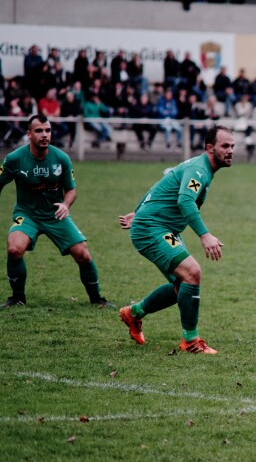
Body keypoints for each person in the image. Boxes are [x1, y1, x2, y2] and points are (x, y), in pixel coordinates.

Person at [117, 126, 234, 354]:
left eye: (232, 146)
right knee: (193, 272)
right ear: (209, 148)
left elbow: (165, 181)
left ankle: (133, 313)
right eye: (225, 146)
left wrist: (139, 210)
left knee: (183, 283)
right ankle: (190, 341)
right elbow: (185, 201)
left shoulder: (199, 168)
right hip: (153, 228)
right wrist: (204, 235)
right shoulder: (198, 170)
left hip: (159, 226)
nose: (230, 151)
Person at [0, 115, 111, 308]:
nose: (44, 135)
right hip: (27, 214)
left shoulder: (61, 158)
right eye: (39, 131)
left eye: (48, 130)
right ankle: (17, 298)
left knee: (83, 254)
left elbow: (71, 190)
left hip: (55, 215)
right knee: (14, 249)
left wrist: (65, 205)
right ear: (29, 134)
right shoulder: (14, 159)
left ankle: (97, 299)